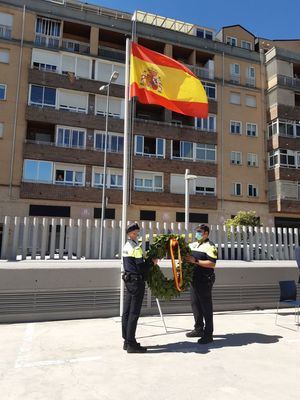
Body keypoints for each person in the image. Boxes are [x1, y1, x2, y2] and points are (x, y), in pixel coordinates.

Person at [121, 222, 158, 353]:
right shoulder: (136, 248)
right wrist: (151, 263)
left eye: (137, 232)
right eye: (134, 233)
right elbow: (141, 267)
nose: (136, 235)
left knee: (126, 311)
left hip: (129, 281)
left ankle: (126, 340)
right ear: (129, 233)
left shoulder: (126, 246)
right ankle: (131, 344)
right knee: (134, 313)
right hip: (136, 282)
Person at [185, 224, 218, 344]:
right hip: (194, 279)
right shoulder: (193, 245)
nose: (197, 233)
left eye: (199, 232)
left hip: (205, 279)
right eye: (196, 231)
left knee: (206, 307)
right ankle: (198, 329)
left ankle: (208, 334)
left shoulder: (210, 246)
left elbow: (212, 263)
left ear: (206, 234)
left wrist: (196, 261)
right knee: (195, 305)